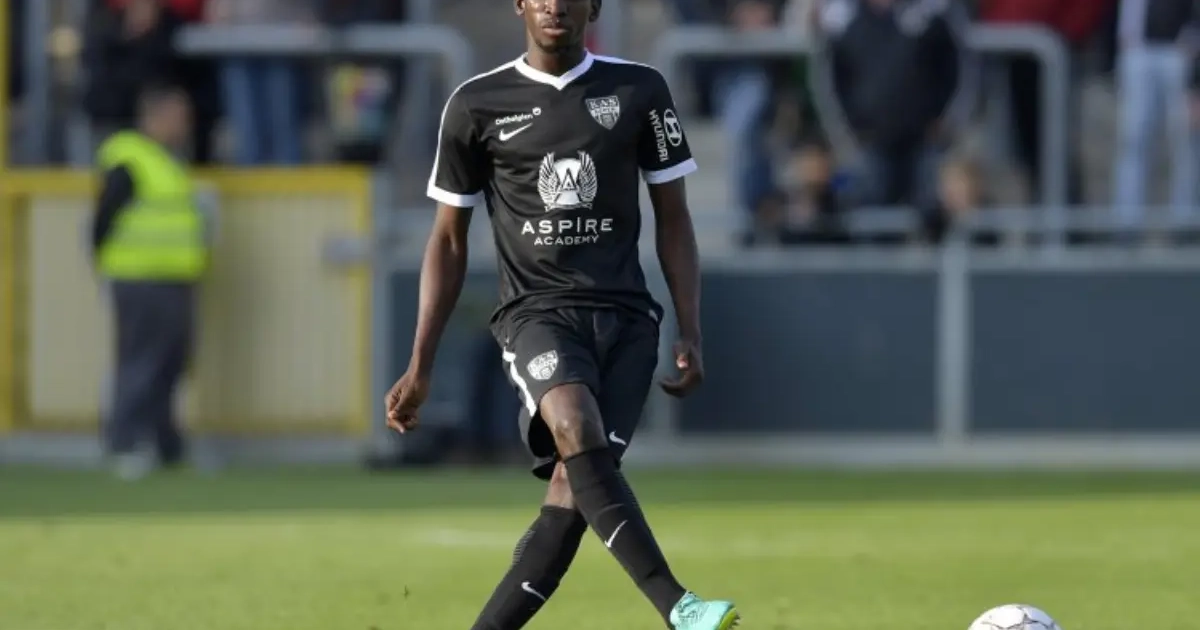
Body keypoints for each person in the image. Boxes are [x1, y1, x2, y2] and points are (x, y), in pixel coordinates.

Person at [382, 0, 740, 628]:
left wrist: (691, 326)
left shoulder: (640, 91)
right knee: (573, 422)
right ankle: (680, 607)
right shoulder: (475, 104)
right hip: (536, 316)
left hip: (628, 322)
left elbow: (674, 218)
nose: (554, 4)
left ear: (594, 5)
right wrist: (420, 363)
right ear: (520, 3)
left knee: (572, 494)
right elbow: (448, 241)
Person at [92, 84, 208, 480]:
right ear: (154, 117)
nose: (185, 124)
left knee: (170, 364)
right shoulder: (129, 159)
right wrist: (107, 266)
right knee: (140, 362)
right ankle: (123, 443)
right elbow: (102, 220)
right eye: (178, 116)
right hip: (140, 277)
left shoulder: (167, 160)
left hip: (175, 276)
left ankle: (166, 445)